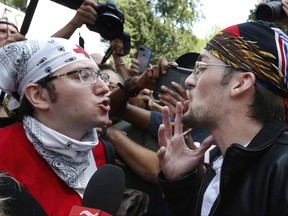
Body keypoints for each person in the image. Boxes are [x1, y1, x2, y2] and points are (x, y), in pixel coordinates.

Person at [156, 20, 288, 216]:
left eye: (201, 67)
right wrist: (181, 181)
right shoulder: (222, 160)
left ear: (240, 83)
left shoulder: (283, 171)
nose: (190, 80)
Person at [0, 38, 113, 215]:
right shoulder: (3, 151)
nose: (105, 87)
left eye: (100, 76)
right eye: (82, 75)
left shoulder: (103, 151)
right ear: (38, 95)